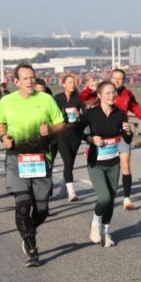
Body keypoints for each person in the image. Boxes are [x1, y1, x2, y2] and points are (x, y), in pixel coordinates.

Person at [0, 64, 66, 267]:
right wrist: (3, 136)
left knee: (42, 209)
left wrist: (51, 128)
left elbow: (62, 123)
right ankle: (32, 249)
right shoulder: (7, 101)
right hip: (16, 158)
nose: (30, 81)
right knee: (23, 204)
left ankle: (28, 230)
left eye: (32, 77)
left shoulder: (46, 99)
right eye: (25, 78)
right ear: (16, 82)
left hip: (41, 158)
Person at [80, 68, 141, 209]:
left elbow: (135, 107)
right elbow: (82, 99)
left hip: (121, 133)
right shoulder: (104, 92)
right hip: (103, 135)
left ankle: (127, 198)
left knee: (125, 164)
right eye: (115, 78)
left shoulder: (127, 94)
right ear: (111, 78)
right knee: (108, 167)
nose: (117, 81)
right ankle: (105, 191)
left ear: (124, 80)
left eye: (120, 79)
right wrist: (87, 89)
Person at [78, 81, 134, 246]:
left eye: (114, 93)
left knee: (111, 200)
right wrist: (90, 139)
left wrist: (128, 132)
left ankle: (106, 232)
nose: (112, 96)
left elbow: (127, 139)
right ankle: (95, 223)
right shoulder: (91, 114)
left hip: (113, 163)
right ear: (100, 95)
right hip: (96, 162)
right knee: (104, 198)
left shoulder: (120, 113)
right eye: (108, 93)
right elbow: (76, 131)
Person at [53, 74, 85, 202]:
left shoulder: (79, 98)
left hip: (75, 134)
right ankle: (72, 193)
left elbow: (85, 116)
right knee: (67, 161)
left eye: (74, 82)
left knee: (70, 162)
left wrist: (79, 114)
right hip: (62, 134)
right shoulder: (57, 98)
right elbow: (52, 114)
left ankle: (63, 186)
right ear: (64, 84)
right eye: (70, 82)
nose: (72, 85)